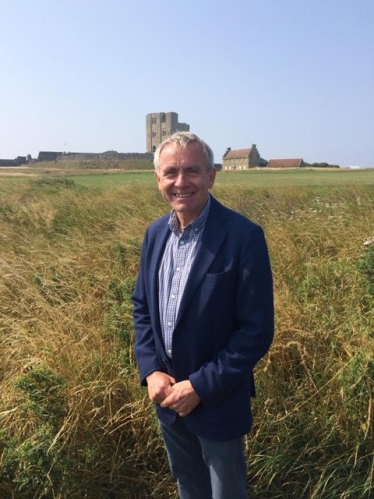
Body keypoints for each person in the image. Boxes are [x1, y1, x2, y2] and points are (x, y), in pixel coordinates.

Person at [132, 131, 274, 499]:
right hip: (166, 399)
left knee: (225, 491)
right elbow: (142, 307)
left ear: (211, 176)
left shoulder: (244, 236)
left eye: (192, 171)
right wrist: (150, 371)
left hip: (218, 400)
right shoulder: (154, 235)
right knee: (189, 486)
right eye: (171, 173)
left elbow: (255, 331)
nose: (181, 182)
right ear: (158, 179)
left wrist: (200, 387)